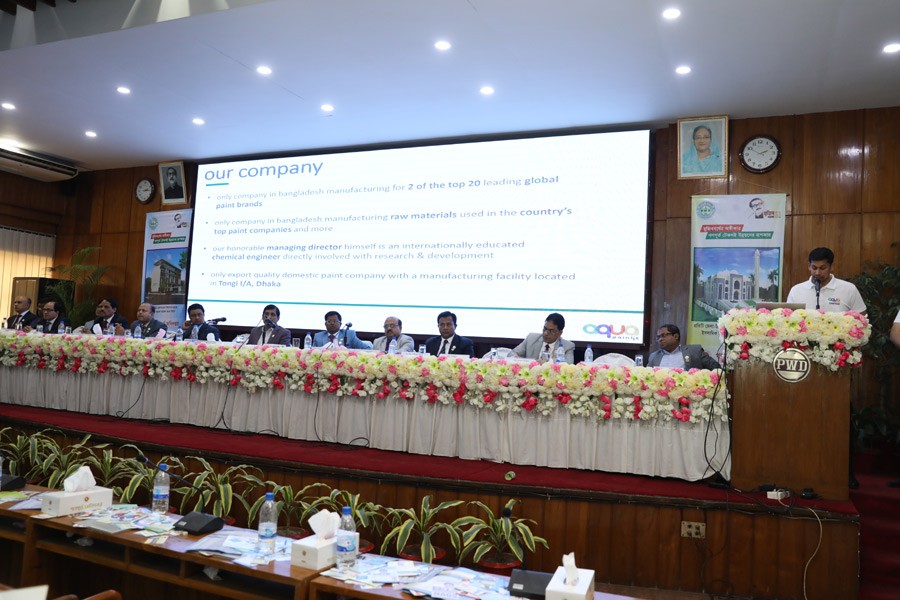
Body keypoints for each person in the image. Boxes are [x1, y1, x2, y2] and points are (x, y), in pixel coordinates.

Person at [785, 247, 867, 313]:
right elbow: (788, 319)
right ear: (809, 266)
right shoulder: (796, 290)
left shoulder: (849, 289)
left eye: (822, 268)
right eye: (814, 268)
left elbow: (862, 319)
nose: (817, 272)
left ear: (832, 266)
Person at [647, 324, 720, 370]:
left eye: (663, 335)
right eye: (658, 337)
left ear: (676, 336)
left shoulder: (694, 351)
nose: (660, 339)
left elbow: (717, 369)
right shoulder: (654, 356)